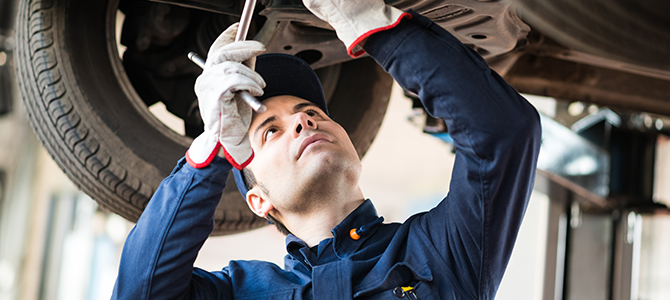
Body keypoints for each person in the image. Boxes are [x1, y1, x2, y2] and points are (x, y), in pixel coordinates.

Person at [112, 0, 542, 299]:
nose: (304, 120)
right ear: (259, 200)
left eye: (311, 111)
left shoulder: (439, 253)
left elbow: (504, 131)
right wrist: (210, 150)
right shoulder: (238, 292)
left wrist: (375, 26)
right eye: (270, 132)